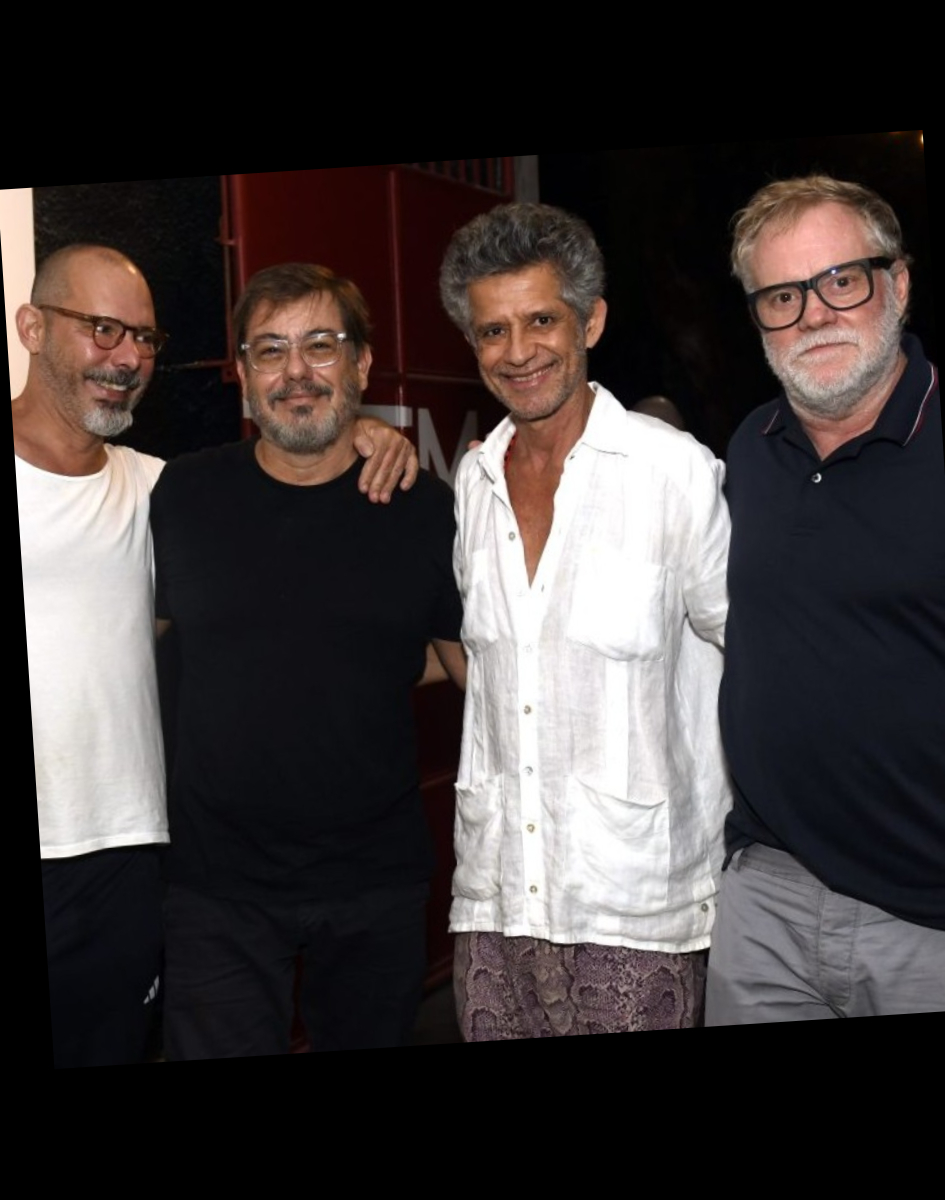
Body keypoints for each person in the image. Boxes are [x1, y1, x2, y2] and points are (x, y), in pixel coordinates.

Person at [18, 246, 416, 1068]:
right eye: (101, 329)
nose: (126, 356)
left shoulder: (159, 490)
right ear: (31, 327)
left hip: (126, 859)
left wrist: (369, 432)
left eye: (143, 337)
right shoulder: (178, 492)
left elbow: (301, 469)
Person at [149, 263, 462, 1057]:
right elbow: (139, 644)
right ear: (243, 373)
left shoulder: (425, 509)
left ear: (362, 363)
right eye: (270, 350)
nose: (296, 371)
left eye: (321, 345)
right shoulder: (181, 496)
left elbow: (466, 665)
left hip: (375, 884)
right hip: (215, 889)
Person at [438, 203, 730, 1037]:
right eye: (493, 331)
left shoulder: (674, 473)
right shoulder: (473, 484)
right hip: (494, 899)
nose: (518, 351)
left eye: (541, 320)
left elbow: (751, 660)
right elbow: (492, 673)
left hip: (637, 908)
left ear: (590, 322)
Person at [706, 176, 945, 1022]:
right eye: (782, 296)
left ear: (899, 282)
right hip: (766, 897)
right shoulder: (750, 448)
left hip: (935, 920)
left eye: (841, 281)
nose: (814, 314)